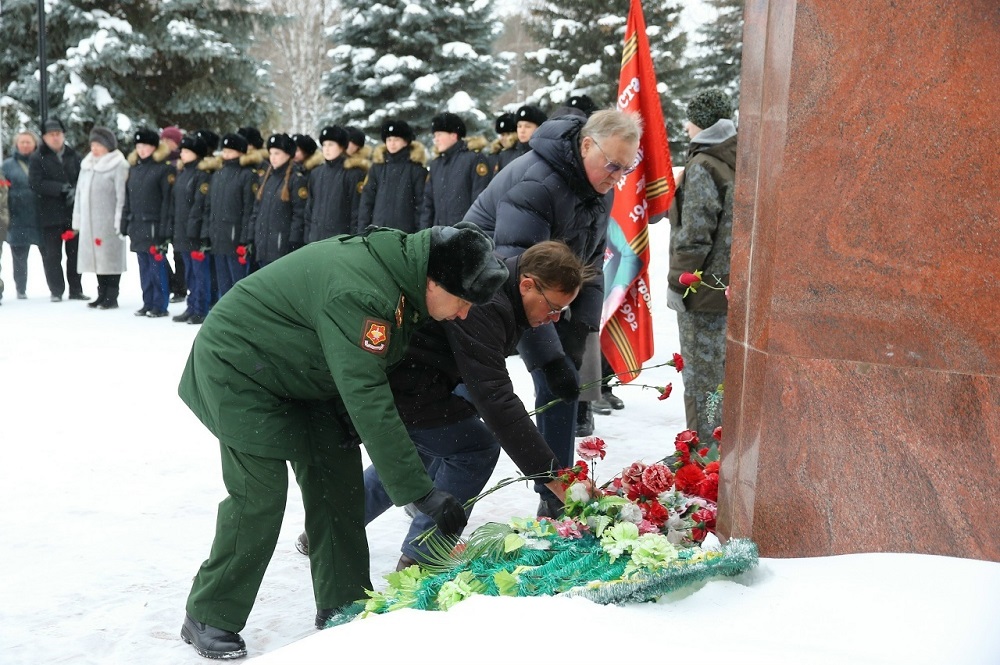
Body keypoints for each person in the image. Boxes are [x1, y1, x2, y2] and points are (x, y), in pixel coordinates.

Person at [177, 222, 508, 660]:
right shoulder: (366, 294)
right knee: (259, 497)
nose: (464, 314)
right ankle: (208, 613)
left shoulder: (405, 281)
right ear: (435, 281)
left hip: (305, 374)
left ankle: (343, 602)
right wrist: (420, 491)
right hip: (239, 370)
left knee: (339, 484)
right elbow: (368, 395)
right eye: (463, 301)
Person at [352, 241, 589, 570]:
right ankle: (424, 556)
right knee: (474, 447)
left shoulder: (505, 291)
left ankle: (337, 524)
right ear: (527, 285)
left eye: (562, 312)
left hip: (411, 378)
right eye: (552, 307)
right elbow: (496, 400)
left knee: (427, 445)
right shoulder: (488, 303)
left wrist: (552, 361)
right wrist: (553, 477)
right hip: (402, 381)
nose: (554, 318)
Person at [463, 109, 642, 518]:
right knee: (458, 399)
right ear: (586, 146)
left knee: (563, 385)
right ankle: (413, 491)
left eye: (626, 168)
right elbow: (520, 277)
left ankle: (557, 497)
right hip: (479, 286)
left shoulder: (599, 187)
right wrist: (549, 358)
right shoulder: (539, 183)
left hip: (535, 287)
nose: (617, 177)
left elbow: (590, 266)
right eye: (612, 166)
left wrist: (580, 334)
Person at [667, 88, 737, 445]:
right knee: (725, 378)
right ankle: (722, 446)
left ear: (702, 123)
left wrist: (677, 283)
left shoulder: (704, 165)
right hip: (729, 288)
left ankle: (705, 453)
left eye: (690, 120)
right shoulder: (737, 157)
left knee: (703, 381)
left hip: (702, 291)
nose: (686, 127)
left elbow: (695, 235)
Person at [71, 127, 129, 310]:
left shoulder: (119, 165)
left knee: (110, 259)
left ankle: (111, 295)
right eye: (93, 145)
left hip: (108, 221)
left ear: (108, 146)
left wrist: (119, 220)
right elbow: (79, 193)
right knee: (97, 260)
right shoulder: (87, 165)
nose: (94, 148)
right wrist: (78, 218)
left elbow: (121, 195)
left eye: (99, 145)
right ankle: (101, 293)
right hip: (90, 222)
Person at [29, 117, 87, 302]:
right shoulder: (37, 157)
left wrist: (74, 189)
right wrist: (59, 188)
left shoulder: (73, 155)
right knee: (52, 255)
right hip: (49, 213)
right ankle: (56, 290)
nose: (55, 138)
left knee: (74, 253)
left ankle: (76, 289)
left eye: (58, 134)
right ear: (44, 137)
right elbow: (35, 183)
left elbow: (83, 177)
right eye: (51, 135)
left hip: (72, 212)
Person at [122, 128, 174, 317]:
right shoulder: (134, 169)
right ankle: (148, 301)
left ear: (154, 147)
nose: (141, 150)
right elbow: (128, 199)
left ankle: (160, 304)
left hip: (154, 225)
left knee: (156, 267)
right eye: (138, 146)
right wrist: (125, 221)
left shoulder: (163, 169)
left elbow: (167, 202)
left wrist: (165, 229)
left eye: (145, 146)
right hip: (137, 225)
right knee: (144, 267)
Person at [243, 133, 308, 267]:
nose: (272, 157)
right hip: (262, 246)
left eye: (277, 153)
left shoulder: (296, 179)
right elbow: (256, 211)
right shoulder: (266, 178)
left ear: (288, 154)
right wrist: (251, 237)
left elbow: (299, 215)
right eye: (271, 153)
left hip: (281, 247)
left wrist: (293, 242)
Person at [206, 132, 257, 298]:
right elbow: (210, 207)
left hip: (235, 238)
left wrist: (244, 239)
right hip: (218, 237)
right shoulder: (218, 174)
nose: (226, 154)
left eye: (230, 150)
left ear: (240, 152)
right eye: (224, 150)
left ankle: (239, 313)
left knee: (238, 284)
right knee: (223, 282)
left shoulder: (247, 175)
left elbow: (249, 209)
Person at [170, 133, 214, 325]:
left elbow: (200, 206)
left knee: (199, 273)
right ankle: (192, 306)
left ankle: (201, 308)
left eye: (187, 151)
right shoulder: (183, 173)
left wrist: (198, 231)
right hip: (182, 231)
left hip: (195, 233)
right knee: (189, 272)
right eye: (182, 151)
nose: (182, 154)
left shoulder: (202, 175)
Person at [419, 112, 491, 228]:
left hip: (465, 233)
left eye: (439, 135)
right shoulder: (436, 165)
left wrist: (474, 232)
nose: (436, 140)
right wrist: (424, 233)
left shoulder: (474, 159)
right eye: (434, 136)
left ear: (453, 135)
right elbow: (428, 204)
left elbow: (481, 200)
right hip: (440, 234)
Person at [357, 119, 427, 234]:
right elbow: (367, 202)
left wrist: (419, 234)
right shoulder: (377, 168)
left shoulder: (416, 170)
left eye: (396, 139)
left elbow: (421, 206)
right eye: (389, 139)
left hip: (405, 233)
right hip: (378, 232)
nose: (392, 143)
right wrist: (362, 232)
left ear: (406, 142)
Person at [303, 125, 365, 242]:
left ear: (342, 147)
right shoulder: (316, 173)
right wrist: (308, 236)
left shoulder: (353, 174)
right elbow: (309, 209)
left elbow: (356, 212)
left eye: (331, 145)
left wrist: (353, 240)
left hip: (339, 240)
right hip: (316, 239)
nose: (326, 149)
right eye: (324, 145)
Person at [3, 132, 42, 300]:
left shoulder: (42, 162)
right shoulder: (7, 166)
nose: (25, 145)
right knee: (19, 256)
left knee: (49, 255)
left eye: (28, 142)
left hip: (40, 216)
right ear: (16, 144)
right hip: (17, 216)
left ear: (35, 144)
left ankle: (56, 289)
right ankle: (21, 288)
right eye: (22, 142)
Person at [160, 125, 188, 303]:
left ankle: (180, 287)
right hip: (165, 211)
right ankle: (173, 283)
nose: (165, 143)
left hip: (179, 211)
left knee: (179, 254)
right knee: (162, 252)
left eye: (168, 140)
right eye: (163, 139)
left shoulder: (181, 162)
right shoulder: (160, 160)